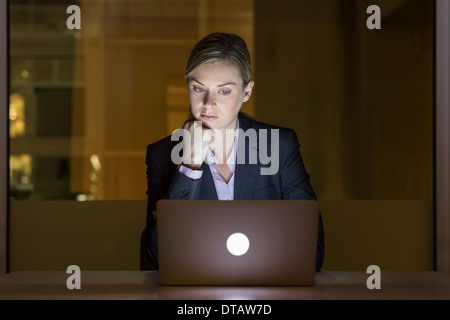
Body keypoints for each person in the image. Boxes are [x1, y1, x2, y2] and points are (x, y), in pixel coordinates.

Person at [144, 32, 324, 271]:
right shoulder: (162, 154)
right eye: (199, 89)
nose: (209, 103)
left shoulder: (279, 145)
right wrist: (189, 167)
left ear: (246, 92)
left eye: (224, 91)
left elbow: (312, 251)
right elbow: (156, 258)